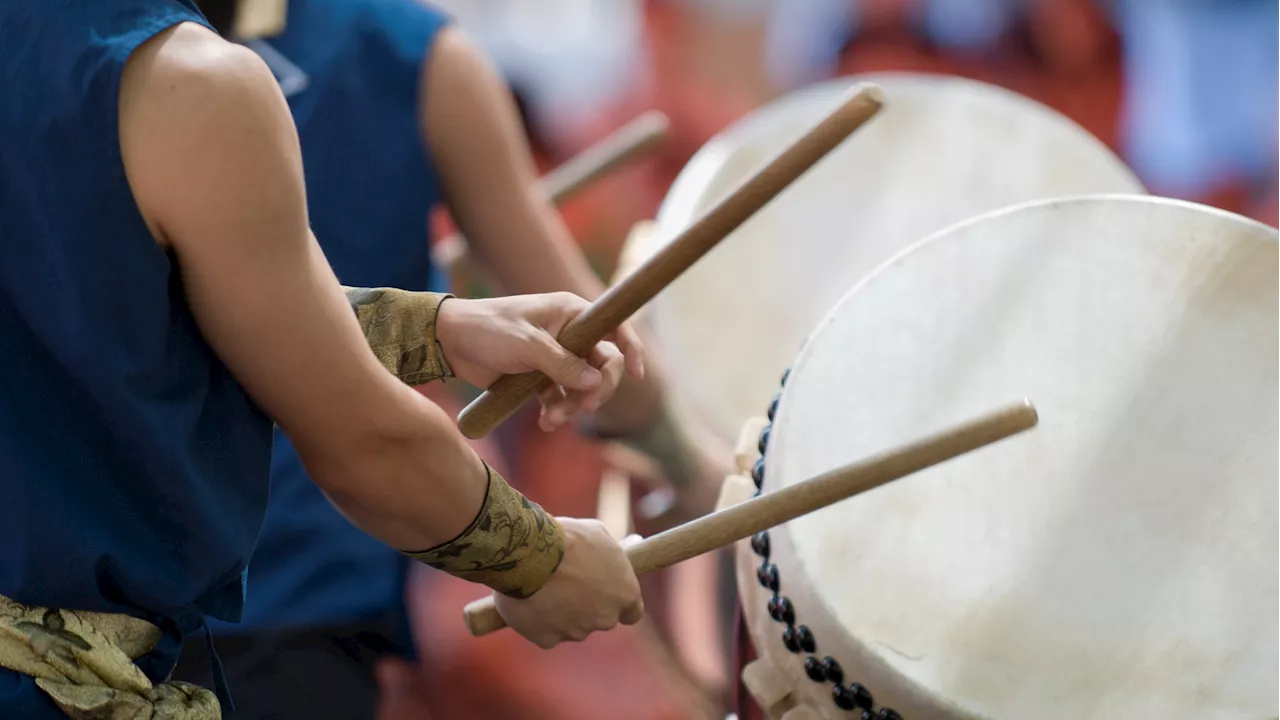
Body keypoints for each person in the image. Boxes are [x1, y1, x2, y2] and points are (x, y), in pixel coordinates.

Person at [0, 1, 649, 718]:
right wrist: (542, 562)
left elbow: (113, 300)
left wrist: (438, 327)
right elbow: (365, 441)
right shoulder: (188, 82)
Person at [165, 1, 731, 717]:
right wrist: (687, 465)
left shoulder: (87, 52)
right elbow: (586, 333)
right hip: (304, 589)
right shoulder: (416, 55)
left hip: (84, 609)